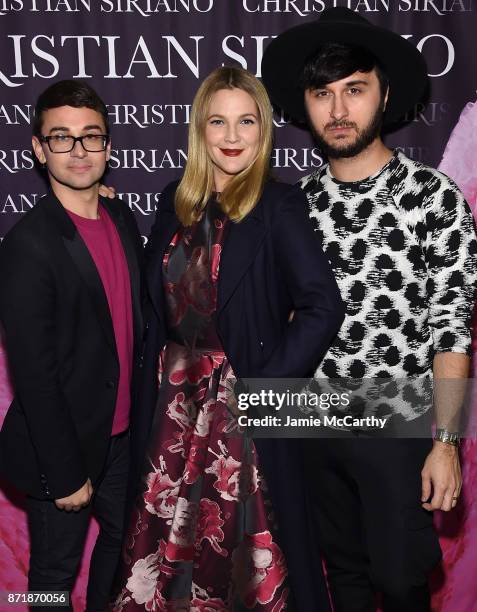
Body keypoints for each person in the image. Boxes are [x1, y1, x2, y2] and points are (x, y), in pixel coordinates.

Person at [261, 8, 477, 612]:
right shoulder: (290, 205)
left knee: (402, 578)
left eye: (354, 90)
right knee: (342, 580)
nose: (337, 110)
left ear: (383, 96)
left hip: (396, 411)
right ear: (303, 105)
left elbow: (453, 327)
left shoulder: (433, 198)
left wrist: (447, 443)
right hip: (309, 415)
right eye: (322, 93)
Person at [113, 66, 344, 611]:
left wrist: (265, 388)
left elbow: (322, 305)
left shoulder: (278, 204)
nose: (233, 137)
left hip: (241, 417)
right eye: (219, 122)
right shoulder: (174, 201)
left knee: (240, 559)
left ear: (264, 131)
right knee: (161, 556)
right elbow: (154, 305)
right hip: (170, 408)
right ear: (200, 129)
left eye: (246, 122)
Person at [0, 80, 143, 611]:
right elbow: (33, 373)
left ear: (108, 145)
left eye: (91, 136)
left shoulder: (120, 216)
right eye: (62, 138)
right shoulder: (27, 245)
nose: (79, 150)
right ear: (39, 149)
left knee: (123, 545)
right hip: (62, 448)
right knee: (51, 577)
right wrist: (64, 472)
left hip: (124, 438)